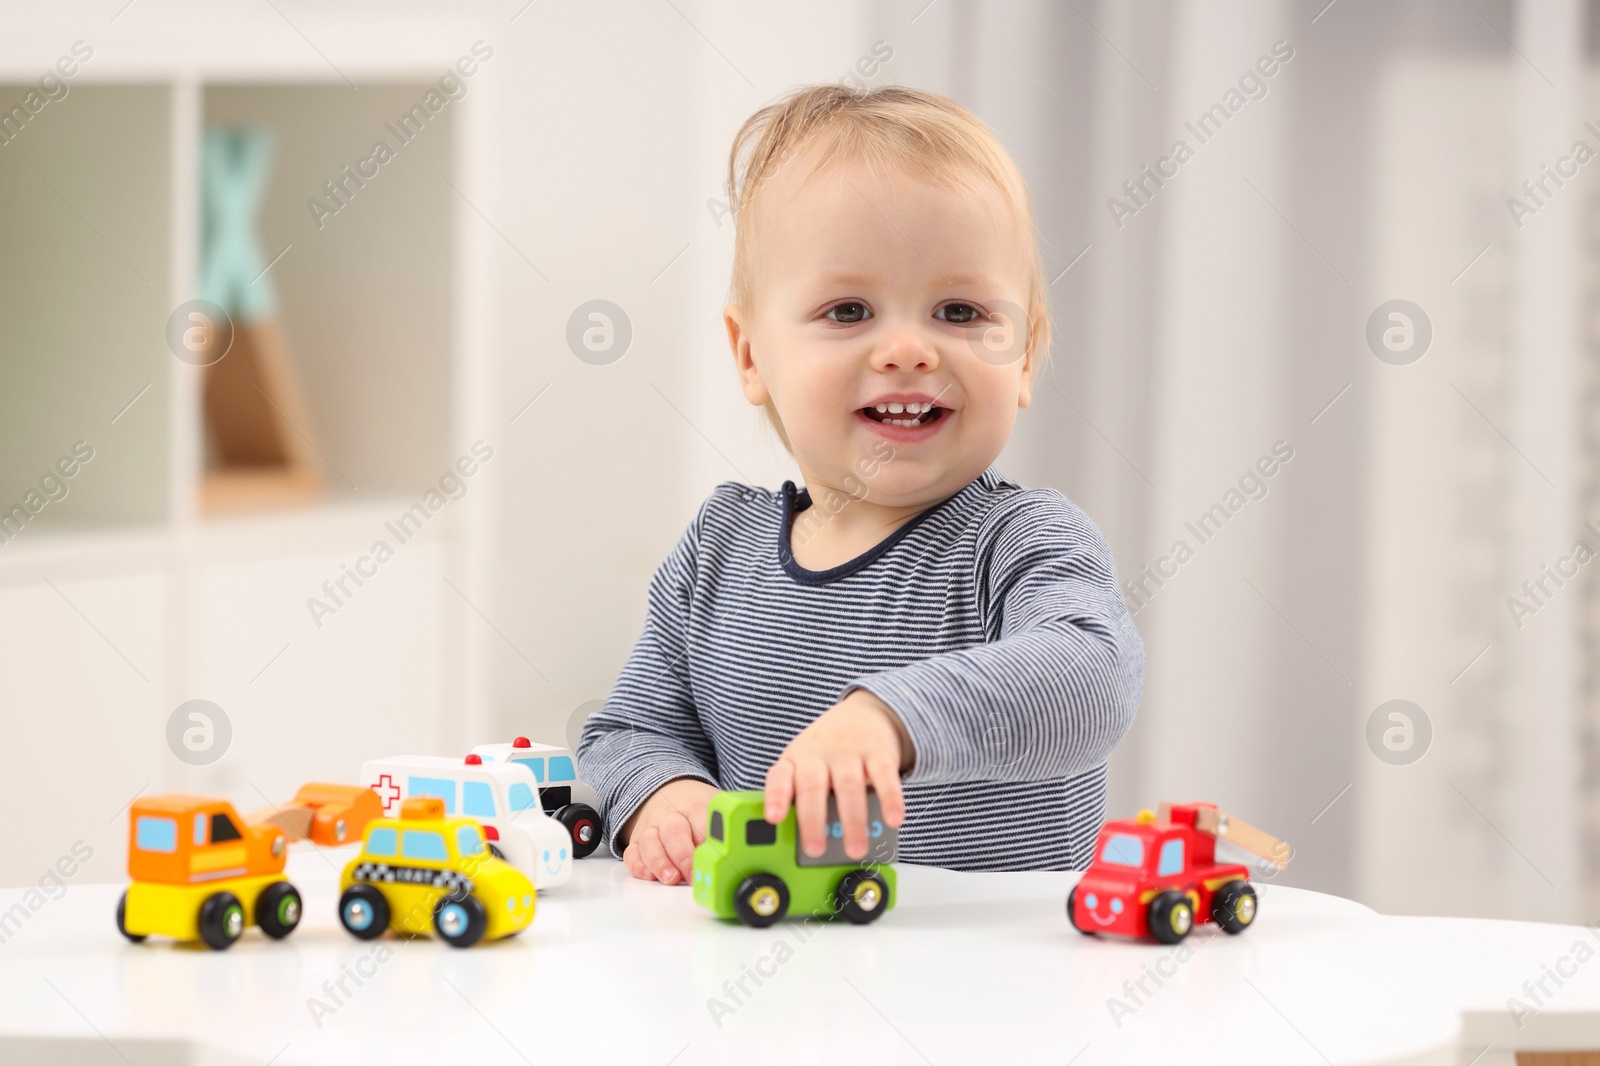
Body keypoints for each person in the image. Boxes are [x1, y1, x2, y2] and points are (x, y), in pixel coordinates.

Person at [578, 83, 1144, 884]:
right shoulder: (718, 553)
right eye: (848, 311)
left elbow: (1091, 677)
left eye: (958, 311)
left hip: (1005, 991)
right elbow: (629, 730)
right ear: (750, 355)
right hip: (779, 983)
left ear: (1024, 353)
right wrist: (664, 796)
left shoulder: (1022, 542)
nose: (908, 349)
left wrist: (890, 717)